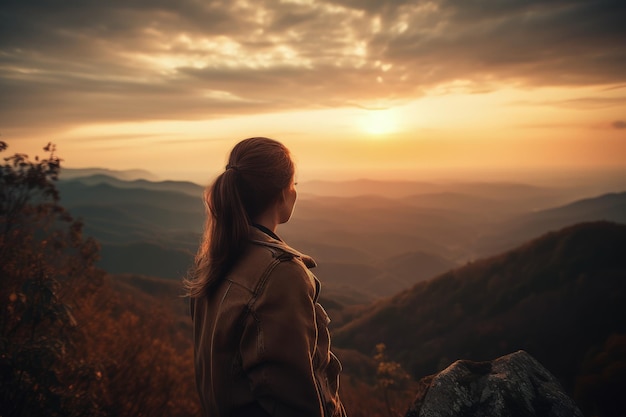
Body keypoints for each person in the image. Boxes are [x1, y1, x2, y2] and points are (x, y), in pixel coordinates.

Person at [186, 137, 346, 417]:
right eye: (294, 184)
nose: (295, 191)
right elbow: (293, 399)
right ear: (282, 193)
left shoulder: (215, 260)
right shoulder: (281, 274)